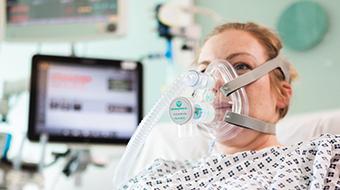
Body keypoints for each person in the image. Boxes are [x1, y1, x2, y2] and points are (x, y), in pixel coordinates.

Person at [119, 22, 340, 189]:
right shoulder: (158, 175)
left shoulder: (321, 160)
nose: (216, 82)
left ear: (282, 95)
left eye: (241, 65)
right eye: (205, 71)